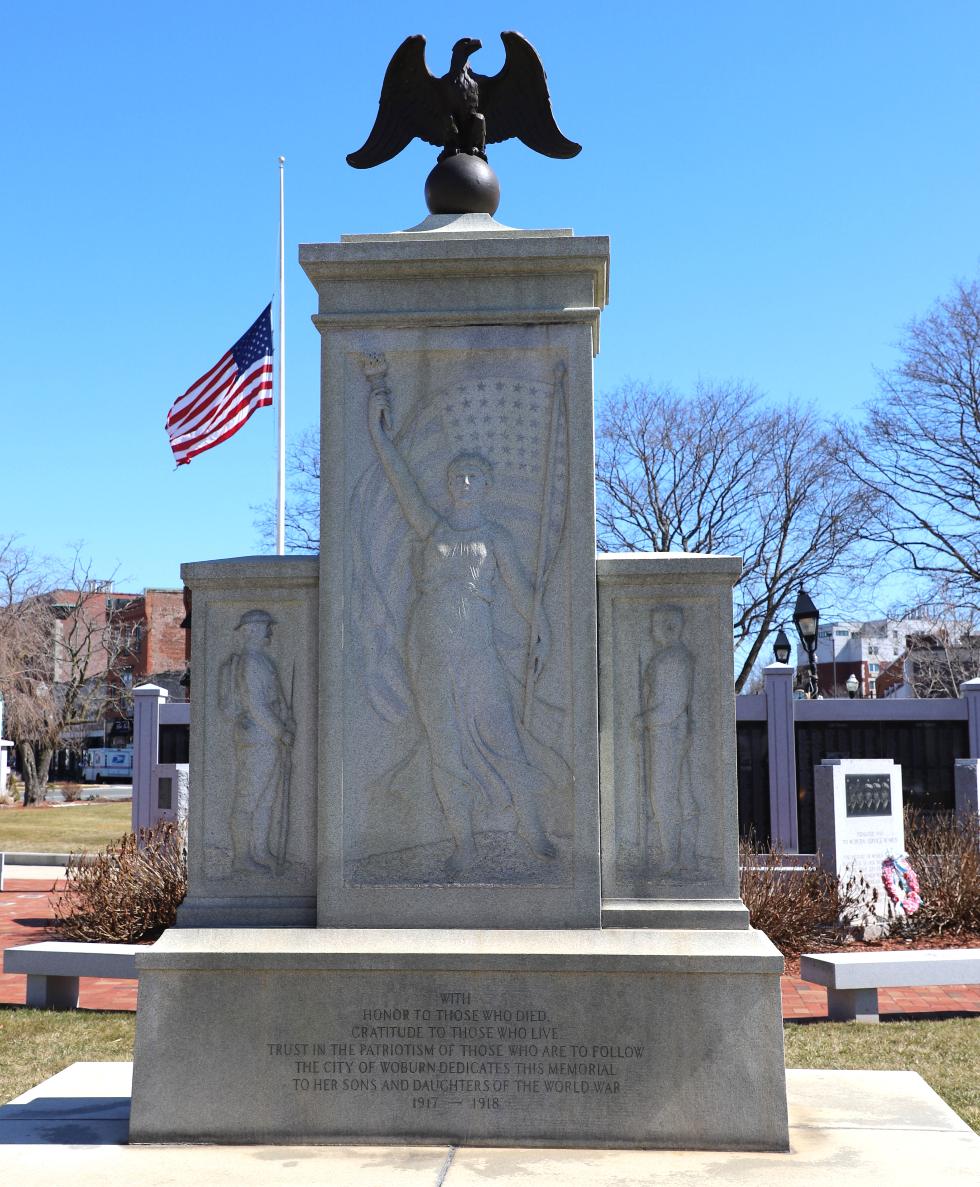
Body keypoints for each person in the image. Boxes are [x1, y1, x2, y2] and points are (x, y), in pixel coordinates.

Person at [367, 382, 557, 874]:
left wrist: (544, 629)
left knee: (503, 737)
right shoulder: (433, 530)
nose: (465, 482)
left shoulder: (495, 539)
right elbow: (402, 484)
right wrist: (379, 433)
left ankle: (531, 826)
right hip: (429, 646)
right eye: (458, 475)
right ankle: (463, 843)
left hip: (476, 649)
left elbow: (522, 593)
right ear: (450, 485)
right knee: (444, 747)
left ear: (487, 485)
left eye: (474, 475)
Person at [219, 609, 295, 874]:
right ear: (251, 630)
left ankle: (260, 851)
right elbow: (256, 705)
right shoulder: (250, 663)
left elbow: (274, 701)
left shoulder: (263, 661)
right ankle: (242, 858)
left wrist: (287, 720)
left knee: (266, 800)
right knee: (249, 799)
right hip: (257, 739)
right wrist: (280, 732)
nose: (270, 631)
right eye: (265, 627)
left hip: (268, 739)